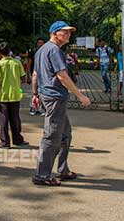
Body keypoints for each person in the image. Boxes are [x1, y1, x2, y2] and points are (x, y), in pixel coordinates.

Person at [32, 21, 91, 186]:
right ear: (54, 33)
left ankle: (63, 169)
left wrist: (35, 94)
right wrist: (80, 95)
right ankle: (42, 175)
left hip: (48, 95)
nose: (68, 35)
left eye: (69, 32)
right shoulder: (54, 50)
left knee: (65, 134)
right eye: (64, 32)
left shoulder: (41, 51)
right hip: (54, 97)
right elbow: (62, 76)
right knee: (52, 136)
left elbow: (36, 75)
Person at [0, 42, 28, 148]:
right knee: (15, 118)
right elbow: (23, 78)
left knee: (4, 119)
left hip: (3, 95)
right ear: (9, 51)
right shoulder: (17, 63)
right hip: (15, 94)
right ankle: (17, 140)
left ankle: (4, 141)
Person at [29, 38, 47, 116]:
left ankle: (40, 108)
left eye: (42, 43)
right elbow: (29, 63)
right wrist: (28, 74)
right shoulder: (33, 52)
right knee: (34, 91)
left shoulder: (46, 52)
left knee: (42, 91)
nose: (40, 44)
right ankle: (33, 107)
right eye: (39, 43)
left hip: (43, 74)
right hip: (34, 73)